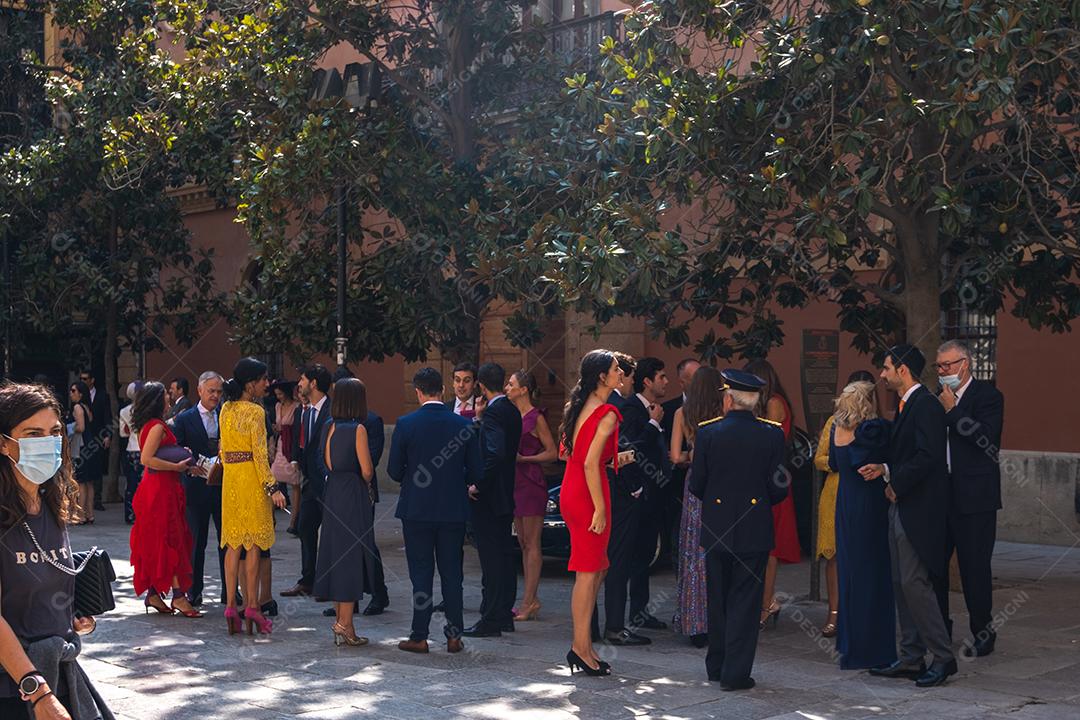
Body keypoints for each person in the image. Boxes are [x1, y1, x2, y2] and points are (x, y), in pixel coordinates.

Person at [0, 382, 113, 720]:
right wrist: (38, 693)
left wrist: (72, 617)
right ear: (4, 444)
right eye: (32, 433)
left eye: (52, 432)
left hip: (60, 675)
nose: (46, 442)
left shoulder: (51, 504)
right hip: (15, 689)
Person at [860, 344, 956, 687]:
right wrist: (886, 468)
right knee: (902, 581)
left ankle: (943, 658)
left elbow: (928, 457)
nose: (882, 375)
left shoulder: (926, 405)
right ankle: (912, 657)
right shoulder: (906, 405)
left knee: (915, 582)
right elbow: (911, 453)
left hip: (919, 507)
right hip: (903, 501)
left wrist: (897, 483)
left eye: (886, 368)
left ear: (903, 370)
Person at [689, 369, 787, 691]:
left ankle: (717, 667)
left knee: (717, 599)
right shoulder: (772, 434)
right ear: (756, 401)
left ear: (729, 397)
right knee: (745, 603)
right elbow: (779, 487)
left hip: (716, 525)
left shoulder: (708, 432)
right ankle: (736, 673)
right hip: (754, 527)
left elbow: (698, 484)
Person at [390, 368, 481, 654]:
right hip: (453, 509)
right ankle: (454, 635)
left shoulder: (406, 424)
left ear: (418, 391)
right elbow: (477, 470)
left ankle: (419, 635)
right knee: (453, 573)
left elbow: (393, 471)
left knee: (421, 573)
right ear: (442, 390)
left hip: (416, 509)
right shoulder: (462, 425)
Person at [935, 339, 1004, 658]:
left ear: (966, 363)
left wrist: (953, 410)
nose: (943, 371)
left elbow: (983, 439)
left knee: (974, 567)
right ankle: (938, 629)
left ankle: (983, 631)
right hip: (940, 494)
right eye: (939, 366)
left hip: (976, 498)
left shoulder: (988, 396)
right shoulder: (936, 399)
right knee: (934, 566)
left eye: (948, 365)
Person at [559, 350, 623, 676]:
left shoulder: (580, 407)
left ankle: (583, 646)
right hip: (588, 493)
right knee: (588, 572)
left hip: (574, 488)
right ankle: (579, 648)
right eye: (615, 369)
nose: (620, 373)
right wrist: (599, 507)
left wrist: (619, 459)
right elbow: (588, 462)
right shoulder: (608, 412)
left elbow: (575, 454)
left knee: (594, 570)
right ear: (602, 376)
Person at [830, 380, 895, 669]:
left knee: (849, 571)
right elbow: (889, 456)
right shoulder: (874, 429)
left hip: (844, 502)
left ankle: (850, 643)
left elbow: (833, 462)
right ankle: (873, 647)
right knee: (873, 573)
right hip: (869, 504)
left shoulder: (835, 428)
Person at [219, 358, 287, 635]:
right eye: (262, 379)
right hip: (251, 480)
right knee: (254, 545)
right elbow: (260, 456)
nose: (266, 384)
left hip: (231, 480)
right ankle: (252, 608)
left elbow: (223, 450)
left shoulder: (225, 409)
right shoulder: (256, 412)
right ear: (250, 383)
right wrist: (273, 488)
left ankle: (231, 607)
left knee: (233, 543)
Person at [312, 378, 377, 646]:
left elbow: (324, 463)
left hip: (333, 493)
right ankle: (345, 624)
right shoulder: (358, 429)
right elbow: (367, 470)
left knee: (336, 554)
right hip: (352, 493)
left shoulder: (329, 426)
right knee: (350, 556)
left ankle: (341, 620)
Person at [129, 382, 202, 618]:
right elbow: (146, 459)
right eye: (166, 396)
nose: (169, 399)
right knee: (170, 539)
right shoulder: (158, 426)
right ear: (157, 401)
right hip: (161, 489)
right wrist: (177, 466)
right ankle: (179, 597)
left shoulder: (147, 425)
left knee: (157, 540)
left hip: (157, 487)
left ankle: (153, 593)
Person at [814, 369, 877, 638]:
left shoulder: (875, 426)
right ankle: (834, 614)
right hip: (834, 494)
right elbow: (818, 458)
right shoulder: (833, 423)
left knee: (863, 556)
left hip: (864, 494)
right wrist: (837, 463)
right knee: (835, 556)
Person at [463, 363, 523, 638]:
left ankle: (491, 619)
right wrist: (478, 420)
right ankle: (502, 615)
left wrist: (478, 484)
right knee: (504, 556)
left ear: (482, 386)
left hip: (490, 496)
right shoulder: (510, 409)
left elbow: (495, 454)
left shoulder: (497, 412)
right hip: (505, 492)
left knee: (492, 560)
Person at [743, 358, 801, 629]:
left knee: (769, 548)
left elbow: (764, 441)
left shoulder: (774, 403)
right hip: (760, 481)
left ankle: (766, 605)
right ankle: (765, 602)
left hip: (772, 482)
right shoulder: (768, 403)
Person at [670, 365, 725, 648]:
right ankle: (718, 618)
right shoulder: (723, 415)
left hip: (695, 484)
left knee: (693, 551)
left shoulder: (683, 414)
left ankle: (694, 621)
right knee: (719, 549)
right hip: (721, 482)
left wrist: (692, 456)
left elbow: (675, 455)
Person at [597, 352, 646, 646]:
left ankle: (590, 626)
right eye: (623, 373)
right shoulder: (619, 405)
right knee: (618, 560)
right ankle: (614, 625)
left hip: (597, 489)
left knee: (593, 563)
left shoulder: (590, 404)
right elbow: (622, 453)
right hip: (618, 492)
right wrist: (635, 487)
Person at [621, 356, 670, 634]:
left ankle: (641, 611)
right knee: (636, 556)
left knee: (645, 554)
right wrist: (652, 425)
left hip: (655, 494)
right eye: (661, 377)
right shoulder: (632, 409)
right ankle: (632, 614)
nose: (666, 382)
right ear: (648, 381)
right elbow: (630, 449)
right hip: (639, 494)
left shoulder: (656, 409)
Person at [172, 371, 227, 608]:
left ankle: (230, 591)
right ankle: (194, 591)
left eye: (219, 392)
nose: (215, 396)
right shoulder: (184, 419)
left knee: (227, 542)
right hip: (195, 489)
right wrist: (189, 467)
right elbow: (176, 450)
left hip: (223, 488)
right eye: (211, 391)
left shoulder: (226, 416)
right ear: (200, 391)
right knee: (196, 542)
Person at [506, 369, 557, 622]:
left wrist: (526, 458)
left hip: (531, 482)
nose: (507, 387)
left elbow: (552, 452)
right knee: (523, 542)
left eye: (511, 383)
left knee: (532, 543)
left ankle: (530, 600)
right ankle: (528, 599)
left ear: (523, 389)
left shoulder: (536, 417)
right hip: (515, 483)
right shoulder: (511, 414)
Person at [282, 364, 333, 598]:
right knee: (305, 526)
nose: (299, 384)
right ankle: (308, 579)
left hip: (331, 483)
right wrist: (295, 460)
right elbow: (300, 440)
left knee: (333, 533)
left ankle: (330, 582)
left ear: (313, 383)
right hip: (310, 482)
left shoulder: (333, 410)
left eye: (302, 379)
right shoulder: (304, 411)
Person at [269, 380, 301, 534]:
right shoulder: (277, 406)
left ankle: (294, 521)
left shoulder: (296, 407)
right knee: (272, 479)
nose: (279, 397)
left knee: (295, 483)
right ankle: (270, 518)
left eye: (280, 394)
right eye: (276, 395)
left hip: (291, 446)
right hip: (281, 444)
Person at [78, 369, 110, 513]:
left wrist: (107, 435)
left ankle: (97, 500)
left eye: (85, 379)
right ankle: (88, 508)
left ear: (92, 380)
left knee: (96, 470)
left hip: (97, 435)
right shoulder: (79, 398)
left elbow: (107, 416)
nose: (83, 381)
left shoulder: (102, 396)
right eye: (81, 379)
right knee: (86, 474)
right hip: (85, 438)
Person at [67, 380, 94, 525]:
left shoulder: (77, 407)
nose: (71, 393)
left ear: (80, 393)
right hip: (89, 446)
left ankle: (81, 515)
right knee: (89, 483)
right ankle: (90, 514)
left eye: (73, 391)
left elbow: (81, 427)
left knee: (81, 483)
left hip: (81, 447)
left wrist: (69, 428)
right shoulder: (86, 407)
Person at [118, 381, 144, 524]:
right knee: (144, 484)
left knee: (131, 484)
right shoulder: (147, 410)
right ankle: (142, 514)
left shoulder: (124, 411)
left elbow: (123, 433)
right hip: (144, 448)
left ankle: (130, 514)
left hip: (131, 448)